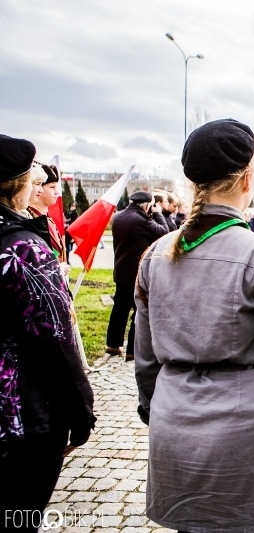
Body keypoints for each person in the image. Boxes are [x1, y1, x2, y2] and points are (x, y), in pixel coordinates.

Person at [134, 119, 254, 532]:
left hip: (173, 425)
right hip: (245, 435)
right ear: (247, 179)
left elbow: (145, 360)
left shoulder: (155, 254)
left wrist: (157, 411)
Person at [0, 135, 95, 532]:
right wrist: (81, 412)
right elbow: (54, 337)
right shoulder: (22, 248)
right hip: (17, 415)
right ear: (20, 185)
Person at [105, 190, 169, 361]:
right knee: (138, 311)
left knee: (119, 309)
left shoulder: (118, 216)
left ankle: (112, 344)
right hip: (136, 273)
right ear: (147, 205)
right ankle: (132, 350)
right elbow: (164, 231)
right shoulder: (141, 219)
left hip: (121, 270)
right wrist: (158, 213)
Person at [27, 163, 69, 269]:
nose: (57, 192)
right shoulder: (29, 219)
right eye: (52, 187)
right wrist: (57, 269)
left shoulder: (46, 218)